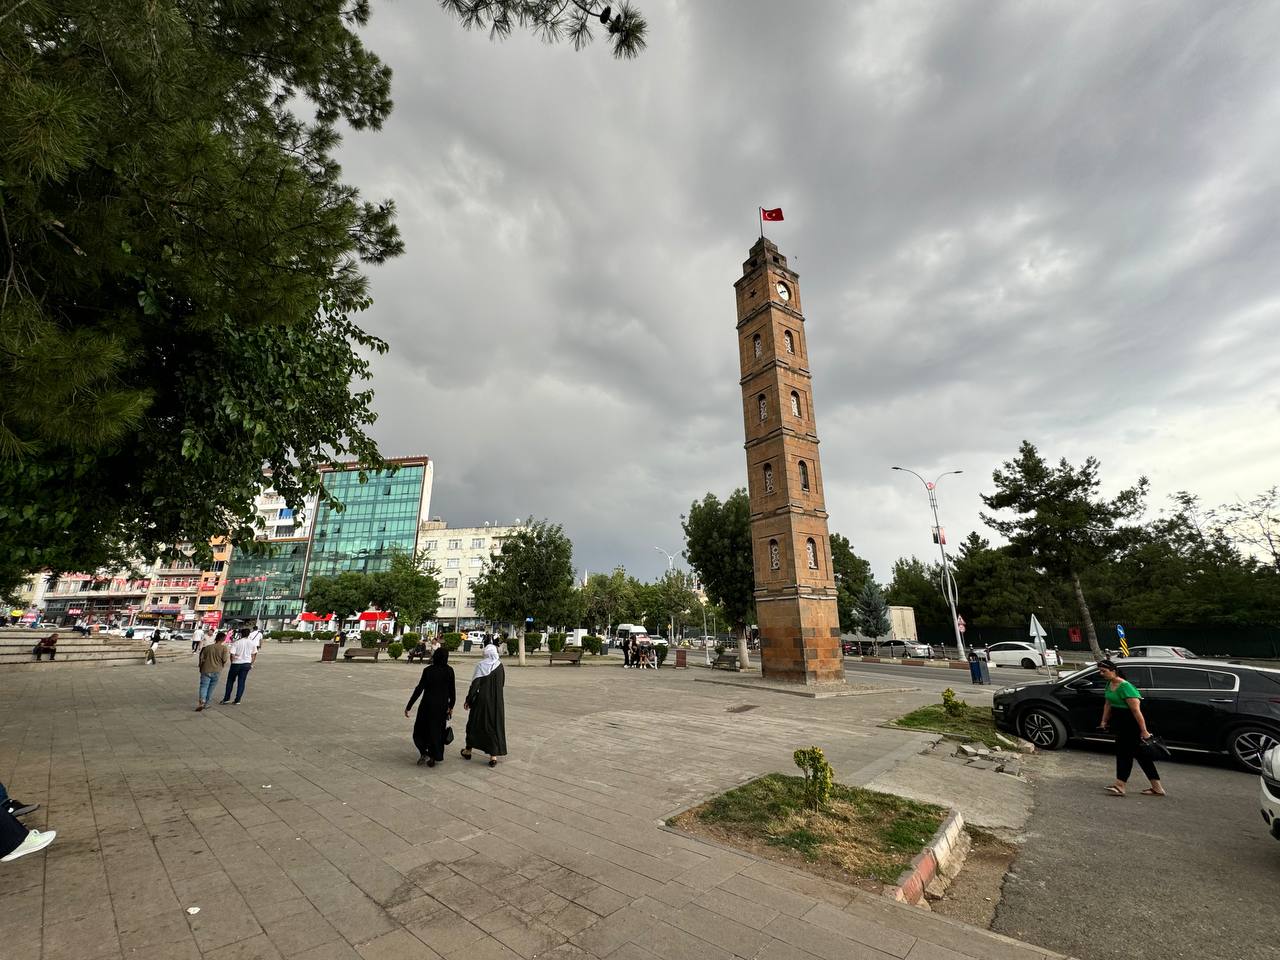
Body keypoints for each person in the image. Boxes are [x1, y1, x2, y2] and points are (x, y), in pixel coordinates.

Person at [1097, 658, 1166, 797]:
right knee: (1141, 756)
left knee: (1124, 754)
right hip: (1120, 723)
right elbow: (1108, 703)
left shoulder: (1126, 687)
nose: (1101, 674)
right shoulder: (1110, 684)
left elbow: (1136, 711)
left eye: (1104, 671)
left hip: (1131, 723)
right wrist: (1104, 721)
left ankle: (1120, 785)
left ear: (1113, 671)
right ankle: (1157, 788)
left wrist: (1144, 730)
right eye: (1100, 671)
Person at [405, 647, 456, 767]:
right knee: (437, 731)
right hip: (441, 706)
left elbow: (419, 688)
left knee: (420, 730)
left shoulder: (428, 670)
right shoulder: (449, 671)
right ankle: (434, 755)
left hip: (427, 705)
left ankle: (424, 752)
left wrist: (409, 706)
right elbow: (452, 690)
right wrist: (451, 705)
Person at [461, 643, 507, 767]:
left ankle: (468, 750)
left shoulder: (481, 666)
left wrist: (468, 700)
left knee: (473, 724)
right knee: (493, 726)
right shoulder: (500, 666)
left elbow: (475, 685)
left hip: (481, 701)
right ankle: (493, 756)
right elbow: (502, 683)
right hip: (496, 702)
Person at [220, 628, 258, 705]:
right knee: (241, 682)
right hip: (246, 664)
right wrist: (251, 663)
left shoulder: (236, 643)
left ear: (241, 634)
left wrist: (233, 661)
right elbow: (254, 654)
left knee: (230, 681)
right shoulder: (252, 643)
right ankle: (238, 699)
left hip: (236, 663)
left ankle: (226, 698)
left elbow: (232, 654)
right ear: (249, 634)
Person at [196, 631, 230, 711]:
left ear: (216, 638)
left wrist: (201, 668)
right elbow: (225, 660)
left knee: (204, 686)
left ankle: (202, 701)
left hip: (206, 669)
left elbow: (201, 659)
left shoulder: (207, 647)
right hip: (217, 670)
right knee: (211, 687)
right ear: (223, 639)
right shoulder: (224, 648)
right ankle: (207, 703)